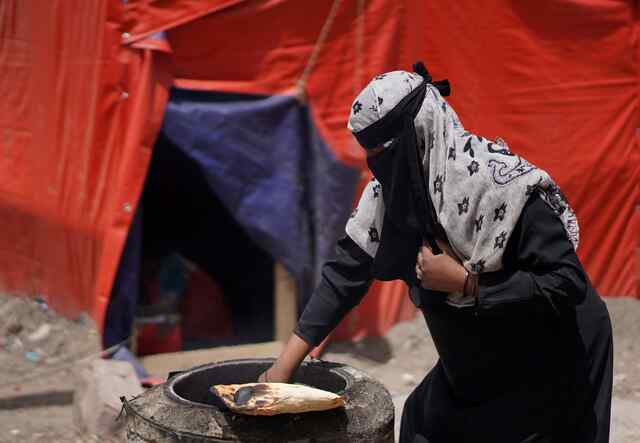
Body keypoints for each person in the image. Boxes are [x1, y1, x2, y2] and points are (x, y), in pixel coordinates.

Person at [259, 62, 613, 443]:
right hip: (478, 367)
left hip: (552, 360)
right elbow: (344, 276)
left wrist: (467, 282)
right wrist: (281, 369)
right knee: (422, 426)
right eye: (370, 153)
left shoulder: (500, 188)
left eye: (384, 151)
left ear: (420, 133)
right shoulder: (390, 197)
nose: (377, 166)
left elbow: (564, 282)